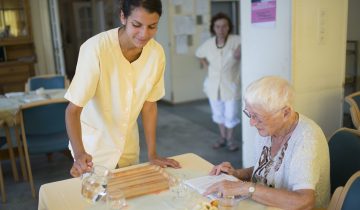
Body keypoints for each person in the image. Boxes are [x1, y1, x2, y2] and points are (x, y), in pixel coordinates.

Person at [65, 0, 180, 178]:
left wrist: (152, 154)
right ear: (123, 17)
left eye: (152, 26)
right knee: (96, 202)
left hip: (128, 146)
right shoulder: (96, 48)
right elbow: (73, 110)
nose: (144, 34)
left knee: (127, 201)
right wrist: (79, 154)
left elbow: (149, 106)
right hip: (93, 150)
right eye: (137, 25)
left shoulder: (156, 53)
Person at [204, 76, 330, 209]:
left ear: (286, 113)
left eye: (257, 116)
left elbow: (305, 202)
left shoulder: (307, 138)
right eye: (249, 114)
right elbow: (267, 170)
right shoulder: (268, 130)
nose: (252, 123)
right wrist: (236, 174)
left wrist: (245, 188)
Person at [195, 13, 241, 152]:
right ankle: (223, 138)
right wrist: (205, 65)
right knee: (218, 113)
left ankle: (230, 139)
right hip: (213, 85)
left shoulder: (237, 40)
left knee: (231, 114)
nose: (221, 29)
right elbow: (198, 54)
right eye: (218, 26)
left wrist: (239, 53)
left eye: (224, 26)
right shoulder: (209, 43)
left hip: (230, 84)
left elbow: (249, 46)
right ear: (213, 28)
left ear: (229, 27)